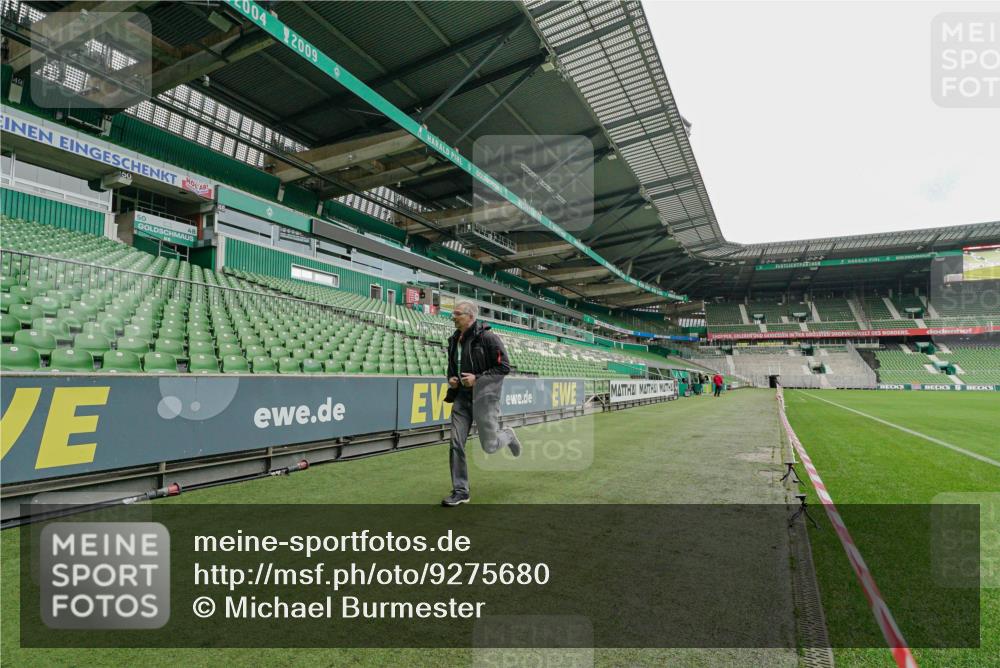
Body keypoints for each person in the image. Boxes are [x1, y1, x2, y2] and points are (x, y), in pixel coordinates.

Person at [441, 301, 521, 507]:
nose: (453, 317)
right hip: (461, 398)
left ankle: (508, 435)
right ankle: (461, 490)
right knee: (456, 442)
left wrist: (477, 379)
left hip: (485, 398)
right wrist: (451, 378)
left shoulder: (488, 338)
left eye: (456, 313)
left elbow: (504, 367)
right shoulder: (453, 340)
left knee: (490, 446)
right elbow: (452, 368)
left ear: (469, 316)